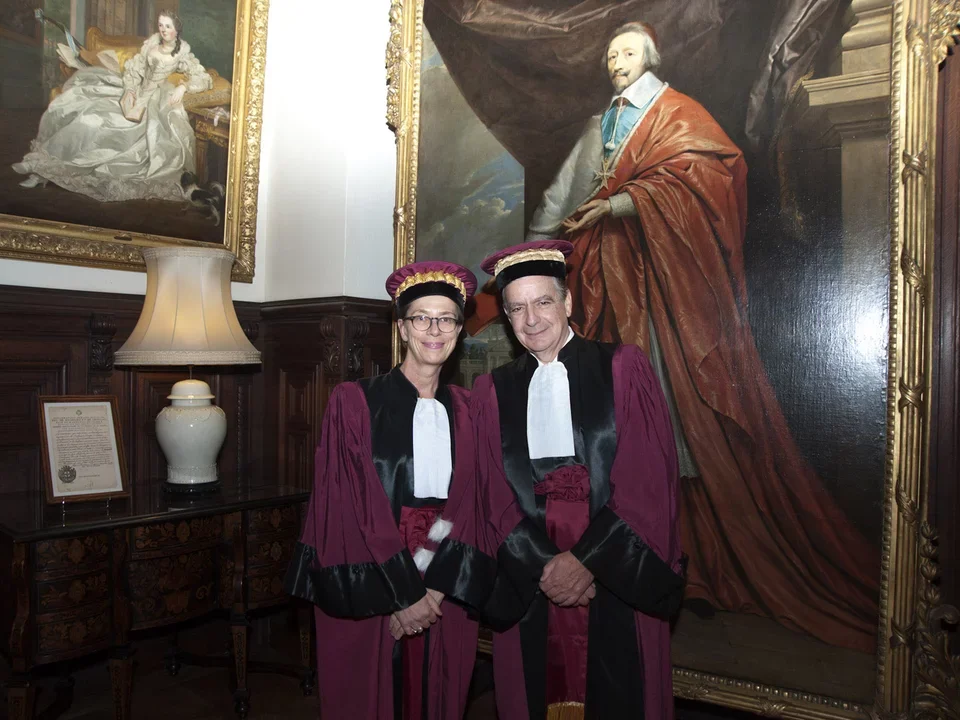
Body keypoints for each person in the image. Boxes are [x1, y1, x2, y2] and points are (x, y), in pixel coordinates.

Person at [524, 21, 879, 653]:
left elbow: (711, 176)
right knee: (609, 434)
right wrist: (529, 258)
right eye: (610, 55)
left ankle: (700, 564)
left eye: (626, 52)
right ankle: (631, 558)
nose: (616, 62)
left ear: (650, 58)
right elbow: (563, 196)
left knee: (676, 422)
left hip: (668, 292)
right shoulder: (599, 124)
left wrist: (621, 205)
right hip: (607, 287)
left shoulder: (676, 113)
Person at [438, 239, 686, 719]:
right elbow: (491, 492)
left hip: (615, 578)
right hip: (531, 578)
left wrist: (586, 563)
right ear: (507, 318)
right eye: (517, 308)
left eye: (543, 302)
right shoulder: (491, 391)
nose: (531, 319)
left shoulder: (623, 368)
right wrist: (547, 568)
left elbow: (648, 481)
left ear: (568, 302)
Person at [284, 262, 480, 719]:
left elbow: (470, 503)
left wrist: (435, 588)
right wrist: (404, 593)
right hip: (375, 580)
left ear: (458, 330)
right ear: (402, 328)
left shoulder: (470, 409)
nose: (435, 329)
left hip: (444, 584)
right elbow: (354, 507)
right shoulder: (354, 401)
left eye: (447, 318)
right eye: (421, 318)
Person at [13, 10, 212, 203]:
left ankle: (54, 171)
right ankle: (41, 170)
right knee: (90, 114)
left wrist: (183, 87)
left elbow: (203, 78)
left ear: (177, 30)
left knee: (131, 130)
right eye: (160, 25)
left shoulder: (182, 53)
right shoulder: (151, 45)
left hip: (157, 98)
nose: (163, 30)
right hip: (132, 90)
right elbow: (135, 70)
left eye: (167, 26)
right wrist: (131, 90)